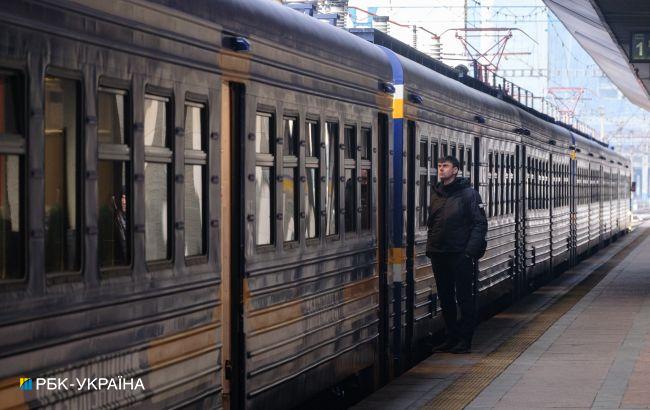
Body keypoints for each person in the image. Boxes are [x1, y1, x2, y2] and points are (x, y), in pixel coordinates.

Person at [427, 155, 487, 353]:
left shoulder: (469, 194)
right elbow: (433, 223)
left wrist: (469, 252)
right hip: (439, 254)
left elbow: (480, 224)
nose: (441, 169)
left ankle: (465, 341)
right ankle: (451, 337)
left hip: (460, 255)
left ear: (455, 170)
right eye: (439, 165)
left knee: (464, 297)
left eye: (445, 166)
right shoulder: (436, 194)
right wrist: (431, 248)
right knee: (445, 298)